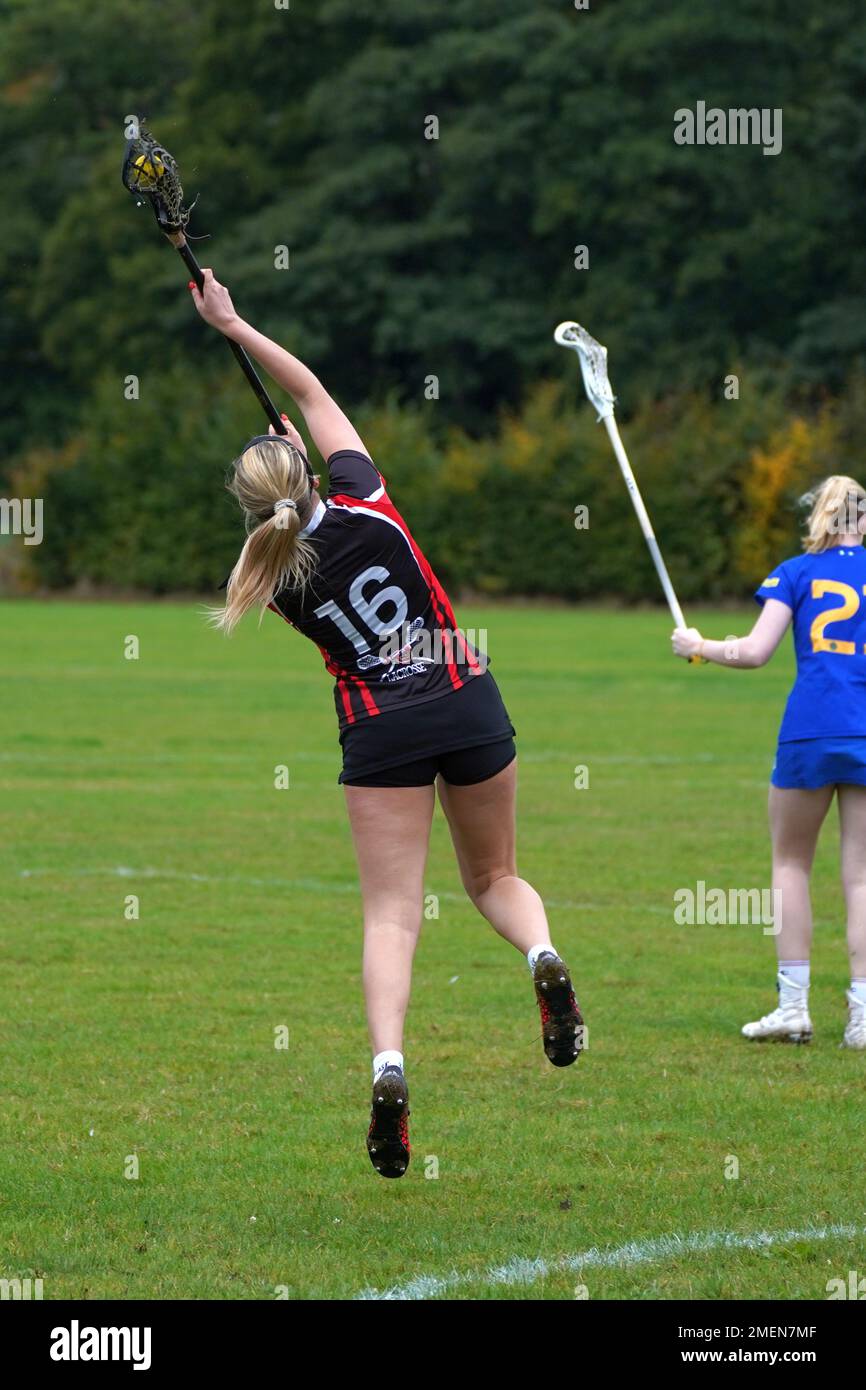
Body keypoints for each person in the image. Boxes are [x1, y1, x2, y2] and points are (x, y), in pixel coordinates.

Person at [189, 270, 584, 1177]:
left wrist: (291, 474)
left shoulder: (275, 576)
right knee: (495, 879)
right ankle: (544, 953)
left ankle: (390, 1065)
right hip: (466, 697)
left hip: (379, 734)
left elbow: (295, 507)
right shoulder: (368, 500)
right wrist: (235, 323)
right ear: (313, 474)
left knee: (392, 914)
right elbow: (314, 392)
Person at [672, 475, 866, 1050]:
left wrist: (700, 648)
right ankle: (861, 1017)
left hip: (809, 732)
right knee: (861, 877)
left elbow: (755, 651)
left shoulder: (797, 572)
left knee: (790, 865)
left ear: (819, 518)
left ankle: (793, 1008)